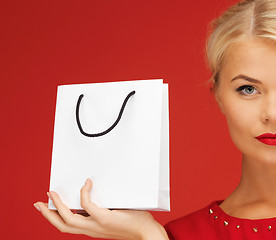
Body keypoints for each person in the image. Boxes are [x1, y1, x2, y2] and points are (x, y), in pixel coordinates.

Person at [33, 0, 276, 239]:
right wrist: (147, 235)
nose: (272, 113)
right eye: (247, 89)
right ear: (218, 94)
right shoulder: (176, 235)